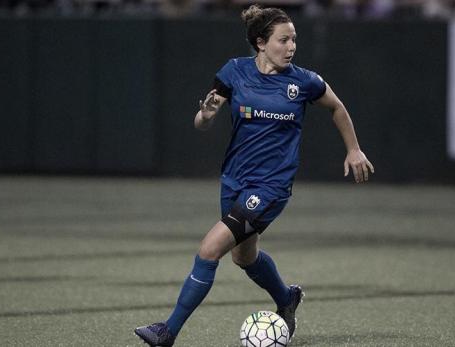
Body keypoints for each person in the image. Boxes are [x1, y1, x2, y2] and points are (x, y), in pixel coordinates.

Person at [134, 4, 374, 346]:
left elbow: (337, 107)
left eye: (294, 40)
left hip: (271, 186)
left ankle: (167, 331)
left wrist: (353, 149)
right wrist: (206, 114)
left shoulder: (304, 81)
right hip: (233, 180)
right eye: (283, 40)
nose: (291, 47)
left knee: (209, 249)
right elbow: (201, 122)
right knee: (243, 257)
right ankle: (286, 297)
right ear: (261, 42)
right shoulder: (234, 72)